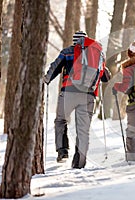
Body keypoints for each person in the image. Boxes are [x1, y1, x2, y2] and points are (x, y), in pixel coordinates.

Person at [44, 31, 111, 169]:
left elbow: (54, 68)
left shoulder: (68, 52)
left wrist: (46, 80)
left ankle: (62, 151)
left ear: (75, 41)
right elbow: (106, 77)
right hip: (88, 95)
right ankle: (79, 163)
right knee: (83, 129)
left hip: (68, 92)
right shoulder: (98, 55)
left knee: (61, 120)